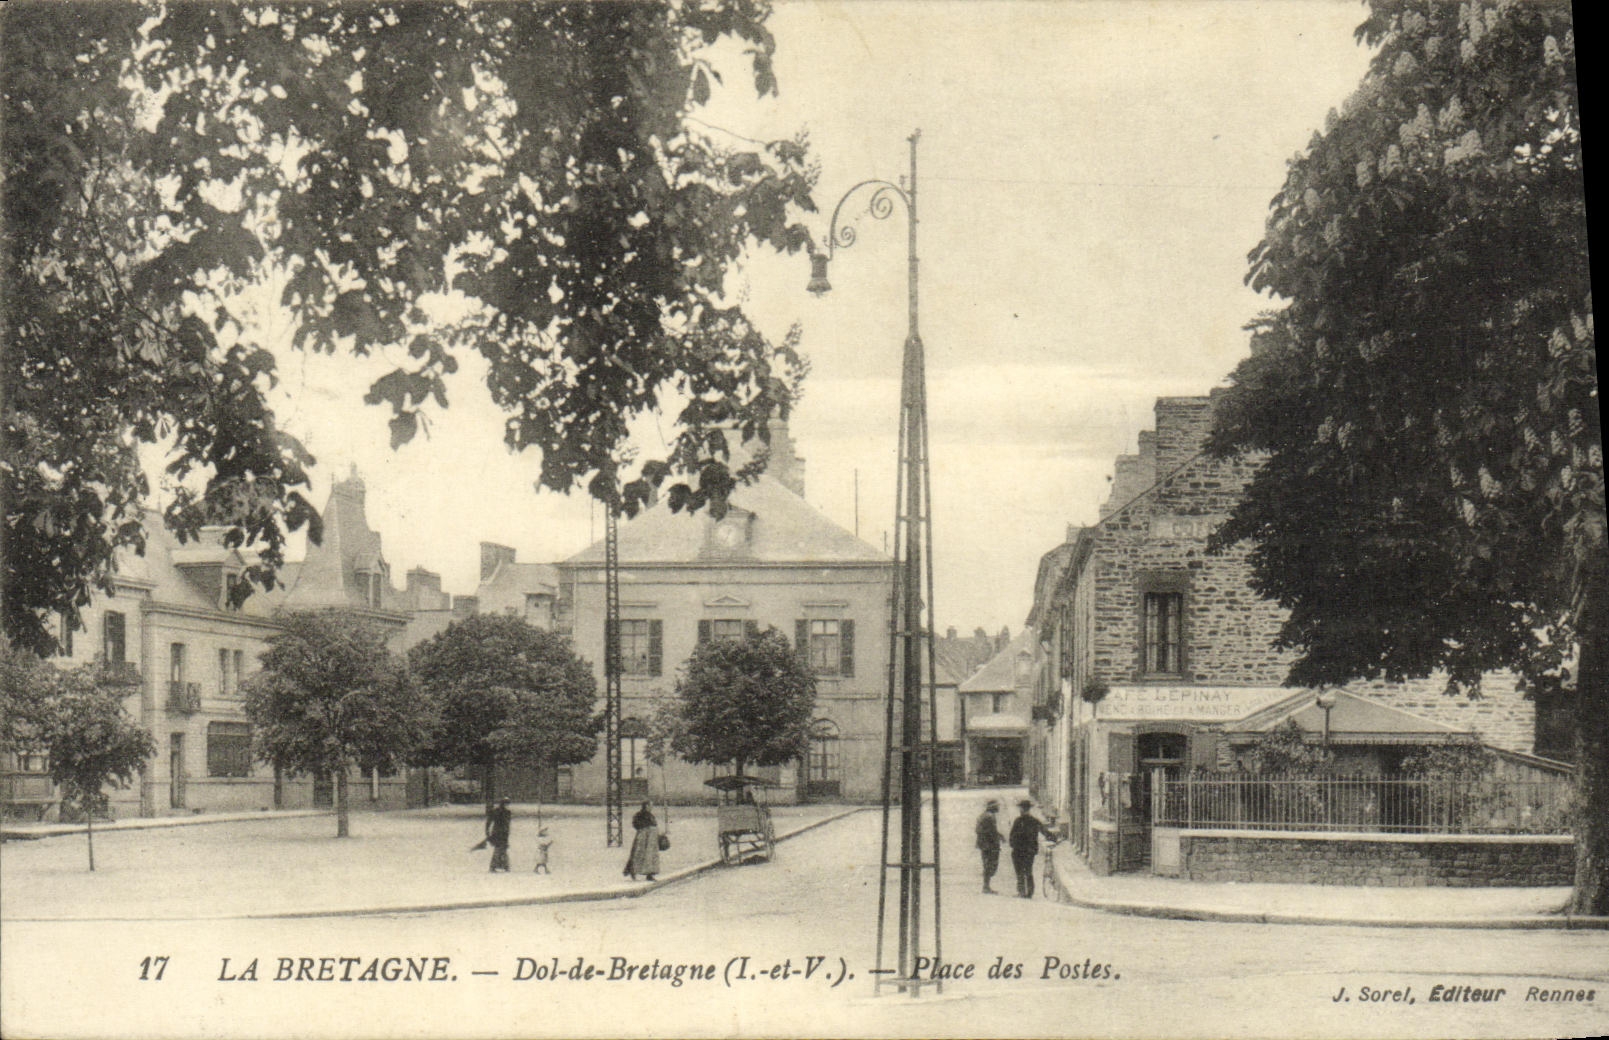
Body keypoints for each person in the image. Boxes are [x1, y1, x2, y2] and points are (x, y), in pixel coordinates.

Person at [1008, 798, 1052, 898]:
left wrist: (1013, 844)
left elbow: (1012, 835)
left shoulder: (1019, 821)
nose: (1021, 810)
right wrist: (1053, 838)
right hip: (1028, 850)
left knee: (1021, 871)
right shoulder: (1033, 821)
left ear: (1024, 809)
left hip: (1020, 850)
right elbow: (1044, 831)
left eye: (1022, 808)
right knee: (1027, 870)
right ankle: (1028, 892)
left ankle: (1023, 892)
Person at [974, 799, 1007, 893]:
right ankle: (986, 887)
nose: (999, 808)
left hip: (984, 844)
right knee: (990, 865)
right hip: (989, 845)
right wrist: (997, 840)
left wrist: (999, 836)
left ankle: (986, 886)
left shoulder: (984, 815)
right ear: (993, 807)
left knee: (987, 865)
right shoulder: (989, 817)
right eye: (997, 806)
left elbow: (988, 830)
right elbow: (990, 831)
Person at [623, 800, 660, 881]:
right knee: (639, 854)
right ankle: (633, 871)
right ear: (646, 806)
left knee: (650, 856)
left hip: (651, 839)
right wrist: (644, 829)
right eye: (650, 805)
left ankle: (649, 874)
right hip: (643, 838)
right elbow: (635, 824)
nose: (651, 807)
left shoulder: (651, 815)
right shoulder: (639, 815)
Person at [485, 797, 513, 873]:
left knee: (501, 849)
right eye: (507, 804)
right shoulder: (500, 812)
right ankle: (498, 866)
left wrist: (487, 833)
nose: (508, 806)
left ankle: (503, 866)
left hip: (501, 833)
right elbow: (489, 822)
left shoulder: (505, 812)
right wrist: (487, 833)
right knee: (499, 850)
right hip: (499, 833)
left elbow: (489, 822)